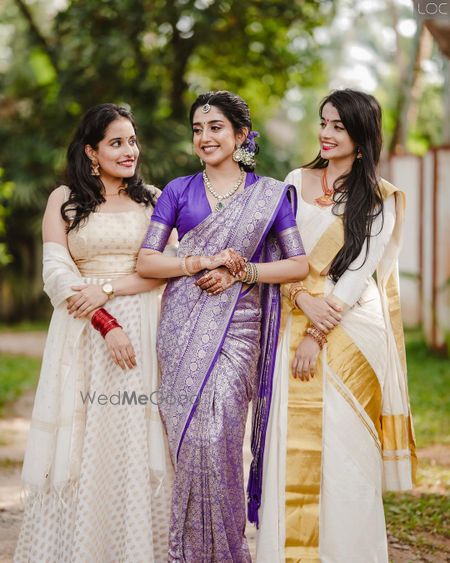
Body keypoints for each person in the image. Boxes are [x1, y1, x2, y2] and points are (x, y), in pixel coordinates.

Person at [136, 90, 309, 562]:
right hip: (181, 322)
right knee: (190, 439)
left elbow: (298, 265)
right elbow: (148, 261)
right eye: (197, 129)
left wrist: (242, 272)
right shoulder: (178, 190)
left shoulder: (269, 196)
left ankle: (229, 552)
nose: (205, 137)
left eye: (215, 128)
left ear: (241, 136)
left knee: (219, 438)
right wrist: (198, 261)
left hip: (240, 326)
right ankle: (188, 553)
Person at [256, 89, 416, 562]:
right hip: (294, 312)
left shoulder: (381, 199)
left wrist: (316, 334)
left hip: (352, 330)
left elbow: (360, 269)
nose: (326, 133)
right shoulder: (293, 179)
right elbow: (277, 253)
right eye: (323, 122)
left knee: (348, 453)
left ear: (361, 138)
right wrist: (302, 298)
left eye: (338, 127)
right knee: (293, 443)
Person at [14, 103, 173, 562]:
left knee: (135, 438)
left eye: (133, 140)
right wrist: (106, 322)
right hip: (85, 333)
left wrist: (107, 290)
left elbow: (167, 269)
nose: (130, 151)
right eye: (116, 143)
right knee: (87, 441)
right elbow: (56, 272)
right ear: (91, 151)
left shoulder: (154, 199)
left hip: (145, 327)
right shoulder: (63, 200)